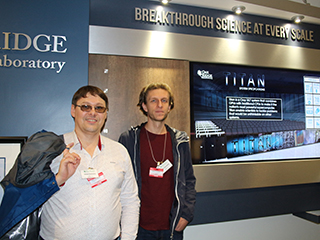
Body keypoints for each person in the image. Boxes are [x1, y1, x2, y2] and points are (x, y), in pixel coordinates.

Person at [39, 85, 140, 240]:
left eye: (99, 108)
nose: (93, 113)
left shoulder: (119, 151)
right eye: (85, 107)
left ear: (105, 115)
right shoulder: (52, 149)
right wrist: (59, 179)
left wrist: (128, 237)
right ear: (73, 110)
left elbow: (130, 200)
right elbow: (31, 199)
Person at [118, 83, 196, 240]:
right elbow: (119, 182)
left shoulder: (180, 141)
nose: (160, 105)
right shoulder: (129, 139)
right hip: (138, 227)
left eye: (164, 101)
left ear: (169, 106)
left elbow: (189, 180)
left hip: (172, 226)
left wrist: (186, 214)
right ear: (144, 106)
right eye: (153, 101)